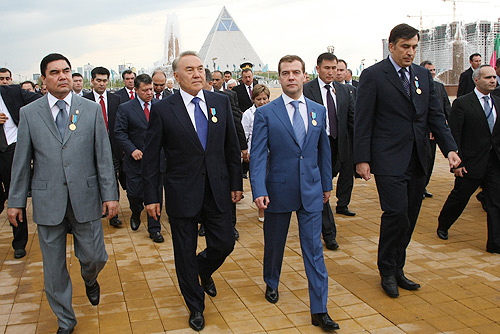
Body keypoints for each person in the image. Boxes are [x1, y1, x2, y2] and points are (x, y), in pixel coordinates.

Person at [7, 53, 118, 334]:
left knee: (95, 256)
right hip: (48, 199)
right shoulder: (30, 114)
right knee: (54, 269)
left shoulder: (90, 110)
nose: (63, 76)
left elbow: (103, 156)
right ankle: (65, 321)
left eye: (66, 71)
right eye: (54, 73)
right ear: (43, 80)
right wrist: (16, 201)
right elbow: (22, 161)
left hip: (86, 195)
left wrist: (111, 194)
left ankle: (90, 279)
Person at [354, 24, 460, 298]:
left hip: (419, 158)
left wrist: (450, 150)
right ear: (391, 46)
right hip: (388, 158)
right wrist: (362, 159)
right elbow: (363, 120)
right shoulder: (374, 75)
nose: (410, 52)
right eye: (405, 47)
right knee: (396, 213)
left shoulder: (423, 76)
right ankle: (386, 270)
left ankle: (398, 267)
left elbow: (436, 116)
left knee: (410, 216)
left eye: (414, 47)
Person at [142, 51, 242, 331]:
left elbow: (231, 148)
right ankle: (195, 306)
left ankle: (203, 269)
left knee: (224, 243)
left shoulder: (220, 102)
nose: (198, 74)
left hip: (217, 189)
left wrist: (236, 184)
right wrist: (152, 197)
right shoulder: (163, 109)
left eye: (200, 68)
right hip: (181, 192)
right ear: (177, 76)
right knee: (184, 252)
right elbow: (151, 157)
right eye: (190, 70)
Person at [250, 55, 339, 331]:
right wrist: (259, 189)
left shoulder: (317, 111)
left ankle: (319, 309)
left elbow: (323, 150)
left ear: (304, 76)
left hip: (311, 190)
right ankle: (272, 282)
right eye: (286, 73)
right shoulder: (266, 113)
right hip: (277, 190)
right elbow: (257, 156)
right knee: (274, 244)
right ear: (279, 78)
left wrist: (326, 184)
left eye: (296, 72)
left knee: (314, 251)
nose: (291, 77)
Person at [437, 65, 500, 253]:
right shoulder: (463, 103)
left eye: (494, 77)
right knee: (460, 197)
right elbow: (455, 134)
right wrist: (458, 163)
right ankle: (443, 224)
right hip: (470, 163)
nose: (492, 81)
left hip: (494, 162)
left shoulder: (498, 102)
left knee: (496, 202)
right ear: (476, 80)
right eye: (488, 77)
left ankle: (495, 243)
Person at [303, 52, 355, 252]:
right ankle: (329, 233)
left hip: (340, 146)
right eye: (327, 68)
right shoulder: (307, 90)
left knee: (341, 181)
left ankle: (342, 205)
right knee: (321, 189)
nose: (331, 72)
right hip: (316, 149)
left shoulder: (344, 91)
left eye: (334, 68)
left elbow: (352, 121)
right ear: (318, 69)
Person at [115, 74, 164, 243]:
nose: (150, 93)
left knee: (156, 195)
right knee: (135, 193)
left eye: (151, 89)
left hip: (157, 161)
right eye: (145, 90)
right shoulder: (126, 108)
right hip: (135, 161)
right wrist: (131, 149)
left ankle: (154, 228)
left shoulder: (160, 106)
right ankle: (136, 211)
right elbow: (119, 133)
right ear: (136, 90)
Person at [0, 82, 40, 259]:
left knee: (15, 196)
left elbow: (42, 100)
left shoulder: (13, 92)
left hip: (10, 149)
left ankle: (19, 243)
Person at [83, 66, 123, 228]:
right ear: (92, 81)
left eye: (104, 80)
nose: (101, 84)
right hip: (90, 148)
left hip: (112, 147)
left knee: (112, 179)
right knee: (92, 180)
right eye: (98, 80)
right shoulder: (83, 100)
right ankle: (96, 209)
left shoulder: (116, 100)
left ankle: (114, 214)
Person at [421, 60, 452, 199]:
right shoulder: (417, 87)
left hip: (436, 132)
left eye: (434, 70)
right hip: (422, 132)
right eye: (429, 70)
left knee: (431, 159)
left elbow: (446, 107)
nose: (433, 72)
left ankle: (423, 186)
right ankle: (418, 187)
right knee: (423, 159)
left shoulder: (439, 87)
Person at [241, 84, 270, 222]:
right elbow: (245, 134)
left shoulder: (272, 112)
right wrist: (245, 152)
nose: (262, 102)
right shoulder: (248, 114)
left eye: (265, 98)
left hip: (272, 153)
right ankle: (262, 209)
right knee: (259, 181)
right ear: (254, 99)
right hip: (255, 153)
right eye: (259, 99)